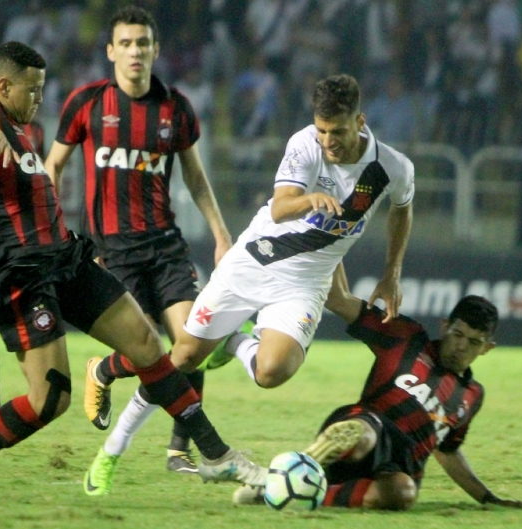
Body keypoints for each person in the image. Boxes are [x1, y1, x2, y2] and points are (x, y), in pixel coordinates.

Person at [0, 41, 267, 500]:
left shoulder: (17, 128)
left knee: (147, 344)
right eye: (32, 90)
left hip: (67, 257)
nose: (39, 100)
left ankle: (216, 455)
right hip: (23, 273)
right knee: (51, 401)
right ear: (5, 86)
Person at [87, 72, 413, 492]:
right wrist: (309, 199)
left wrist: (392, 273)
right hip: (253, 263)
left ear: (361, 122)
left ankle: (233, 342)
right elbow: (279, 210)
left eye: (339, 131)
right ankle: (111, 452)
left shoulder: (392, 167)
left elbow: (402, 209)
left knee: (272, 372)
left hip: (304, 284)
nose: (329, 140)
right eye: (323, 130)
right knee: (181, 358)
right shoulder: (305, 145)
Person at [44, 5, 236, 489]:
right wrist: (50, 230)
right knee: (149, 351)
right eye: (125, 44)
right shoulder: (86, 103)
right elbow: (52, 169)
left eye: (142, 43)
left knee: (193, 342)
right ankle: (105, 367)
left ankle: (179, 449)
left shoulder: (175, 107)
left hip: (166, 246)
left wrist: (219, 233)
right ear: (110, 51)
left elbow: (193, 175)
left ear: (155, 49)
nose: (134, 51)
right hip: (112, 252)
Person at [234, 264, 522, 511]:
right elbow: (339, 299)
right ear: (445, 326)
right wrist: (334, 242)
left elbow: (448, 451)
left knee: (402, 494)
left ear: (487, 349)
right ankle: (296, 473)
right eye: (458, 334)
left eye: (474, 342)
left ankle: (281, 491)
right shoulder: (406, 336)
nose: (461, 347)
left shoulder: (472, 396)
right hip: (370, 424)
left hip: (402, 464)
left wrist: (487, 497)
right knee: (360, 436)